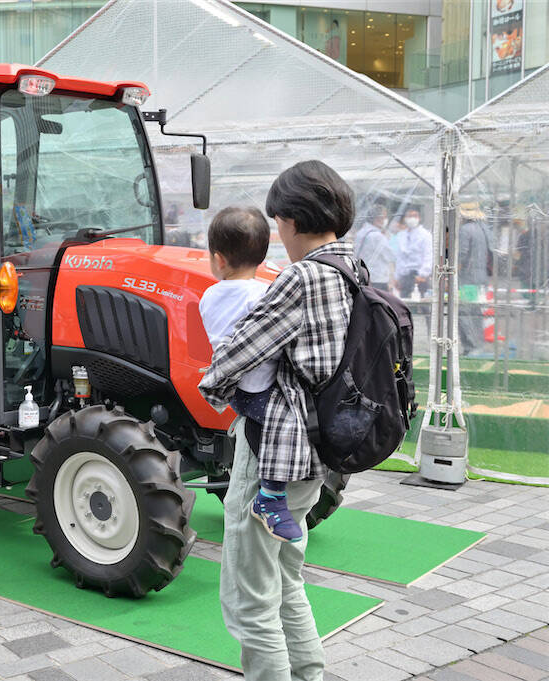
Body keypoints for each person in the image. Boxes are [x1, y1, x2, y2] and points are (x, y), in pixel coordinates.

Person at [199, 160, 357, 681]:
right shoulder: (351, 269)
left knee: (251, 597)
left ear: (292, 219)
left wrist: (212, 386)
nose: (280, 235)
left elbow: (241, 349)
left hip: (275, 448)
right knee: (287, 579)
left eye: (280, 223)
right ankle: (308, 673)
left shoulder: (303, 278)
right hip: (316, 452)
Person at [199, 206, 299, 542]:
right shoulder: (262, 295)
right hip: (261, 388)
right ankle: (271, 496)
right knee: (281, 428)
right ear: (262, 258)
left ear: (219, 259)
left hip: (236, 387)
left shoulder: (209, 296)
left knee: (261, 426)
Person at [457, 202, 491, 355]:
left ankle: (471, 346)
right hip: (480, 277)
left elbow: (461, 256)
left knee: (465, 312)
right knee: (476, 312)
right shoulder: (484, 229)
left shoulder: (465, 230)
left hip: (468, 279)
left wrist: (452, 275)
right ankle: (478, 343)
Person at [353, 200, 394, 291]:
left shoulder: (361, 232)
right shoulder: (378, 236)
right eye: (385, 217)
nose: (385, 220)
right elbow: (391, 256)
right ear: (378, 218)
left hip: (363, 275)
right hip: (378, 278)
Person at [395, 206, 433, 298]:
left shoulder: (425, 235)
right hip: (404, 277)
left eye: (415, 216)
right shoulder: (401, 235)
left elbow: (428, 256)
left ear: (419, 218)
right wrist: (396, 277)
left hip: (419, 276)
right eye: (409, 215)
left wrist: (423, 274)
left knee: (420, 304)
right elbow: (398, 257)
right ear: (405, 218)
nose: (412, 218)